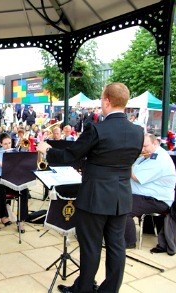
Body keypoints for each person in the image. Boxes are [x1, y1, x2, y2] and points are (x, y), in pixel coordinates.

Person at [37, 82, 144, 293]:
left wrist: (47, 150)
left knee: (91, 246)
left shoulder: (96, 129)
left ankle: (83, 289)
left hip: (95, 197)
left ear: (107, 100)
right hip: (121, 197)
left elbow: (70, 155)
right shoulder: (138, 132)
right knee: (116, 246)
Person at [125, 133, 176, 249]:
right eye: (140, 147)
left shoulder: (159, 158)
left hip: (156, 200)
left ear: (155, 143)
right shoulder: (147, 155)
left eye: (145, 146)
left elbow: (135, 176)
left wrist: (124, 162)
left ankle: (128, 241)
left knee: (123, 208)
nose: (142, 149)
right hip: (144, 195)